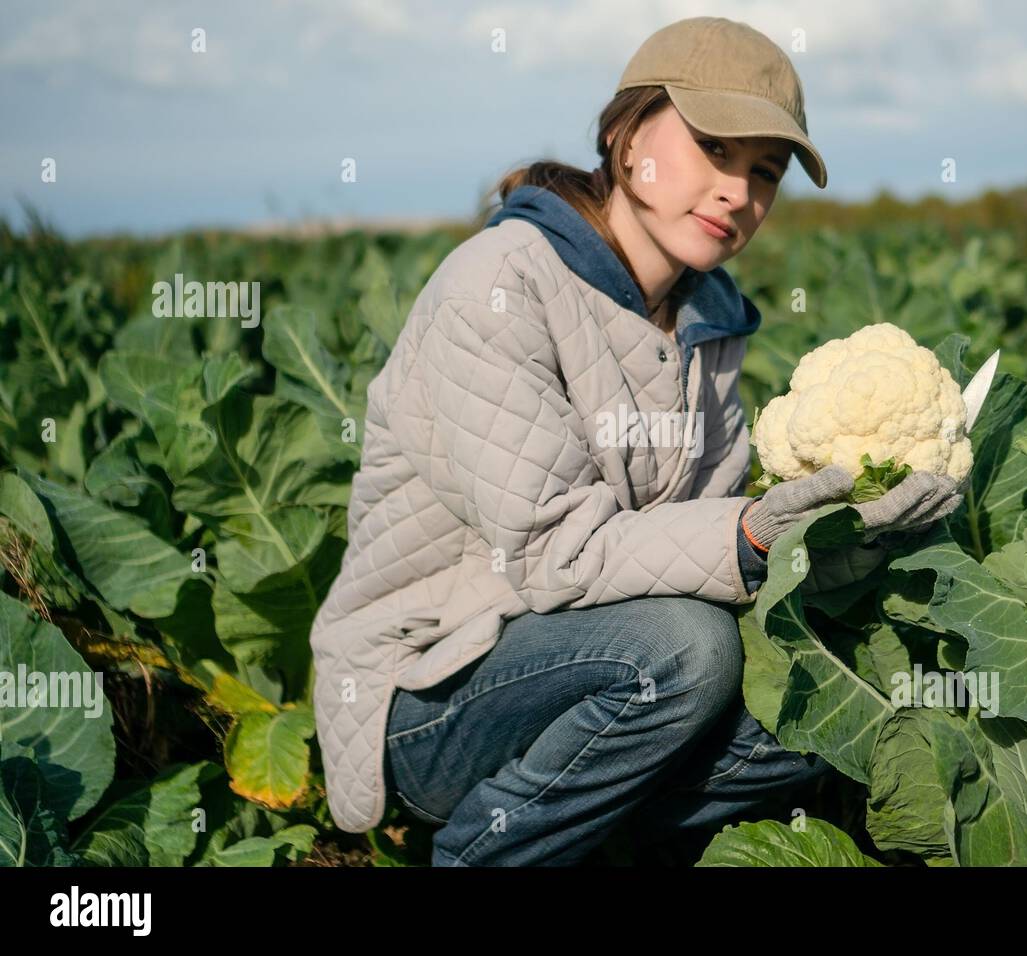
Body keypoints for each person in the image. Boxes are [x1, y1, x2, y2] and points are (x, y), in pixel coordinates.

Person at [308, 15, 962, 867]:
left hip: (590, 672)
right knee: (684, 649)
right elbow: (554, 554)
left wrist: (846, 540)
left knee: (837, 703)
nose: (739, 191)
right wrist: (753, 532)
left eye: (764, 173)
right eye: (714, 150)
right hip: (431, 689)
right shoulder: (499, 286)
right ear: (624, 137)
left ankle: (586, 848)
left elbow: (700, 559)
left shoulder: (708, 319)